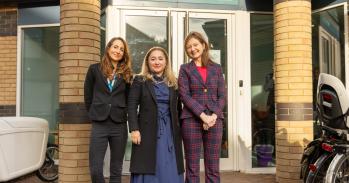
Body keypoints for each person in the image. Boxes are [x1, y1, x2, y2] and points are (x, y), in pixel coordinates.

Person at [128, 47, 184, 183]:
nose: (157, 62)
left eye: (160, 59)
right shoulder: (139, 80)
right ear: (147, 62)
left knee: (169, 166)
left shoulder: (173, 82)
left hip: (169, 132)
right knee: (148, 165)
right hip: (146, 130)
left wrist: (180, 130)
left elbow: (178, 109)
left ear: (166, 62)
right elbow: (132, 105)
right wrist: (134, 129)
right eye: (153, 59)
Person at [178, 31, 226, 183]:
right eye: (189, 47)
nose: (192, 49)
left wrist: (213, 116)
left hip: (214, 120)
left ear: (204, 45)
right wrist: (202, 115)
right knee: (192, 168)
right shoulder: (185, 69)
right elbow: (184, 95)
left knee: (213, 167)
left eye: (195, 45)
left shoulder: (217, 68)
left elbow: (222, 96)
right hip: (191, 120)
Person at [84, 37, 132, 183]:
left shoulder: (127, 73)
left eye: (121, 49)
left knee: (116, 170)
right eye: (115, 47)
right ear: (108, 48)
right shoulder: (94, 69)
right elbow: (88, 96)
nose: (118, 51)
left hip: (119, 124)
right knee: (96, 168)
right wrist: (94, 112)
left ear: (124, 54)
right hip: (99, 123)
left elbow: (130, 99)